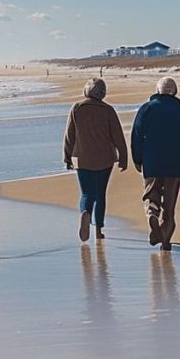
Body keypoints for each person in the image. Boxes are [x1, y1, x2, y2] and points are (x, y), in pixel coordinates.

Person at [131, 77, 180, 251]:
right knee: (170, 206)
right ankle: (166, 240)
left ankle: (152, 213)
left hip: (152, 161)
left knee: (151, 195)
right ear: (174, 92)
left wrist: (137, 159)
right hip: (175, 163)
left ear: (157, 90)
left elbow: (136, 136)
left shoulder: (146, 109)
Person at [63, 77, 128, 242]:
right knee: (100, 194)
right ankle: (98, 230)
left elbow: (69, 135)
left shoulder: (77, 108)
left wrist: (67, 156)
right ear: (103, 93)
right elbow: (117, 136)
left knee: (86, 193)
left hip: (82, 157)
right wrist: (123, 157)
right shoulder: (108, 110)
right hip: (104, 159)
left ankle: (85, 212)